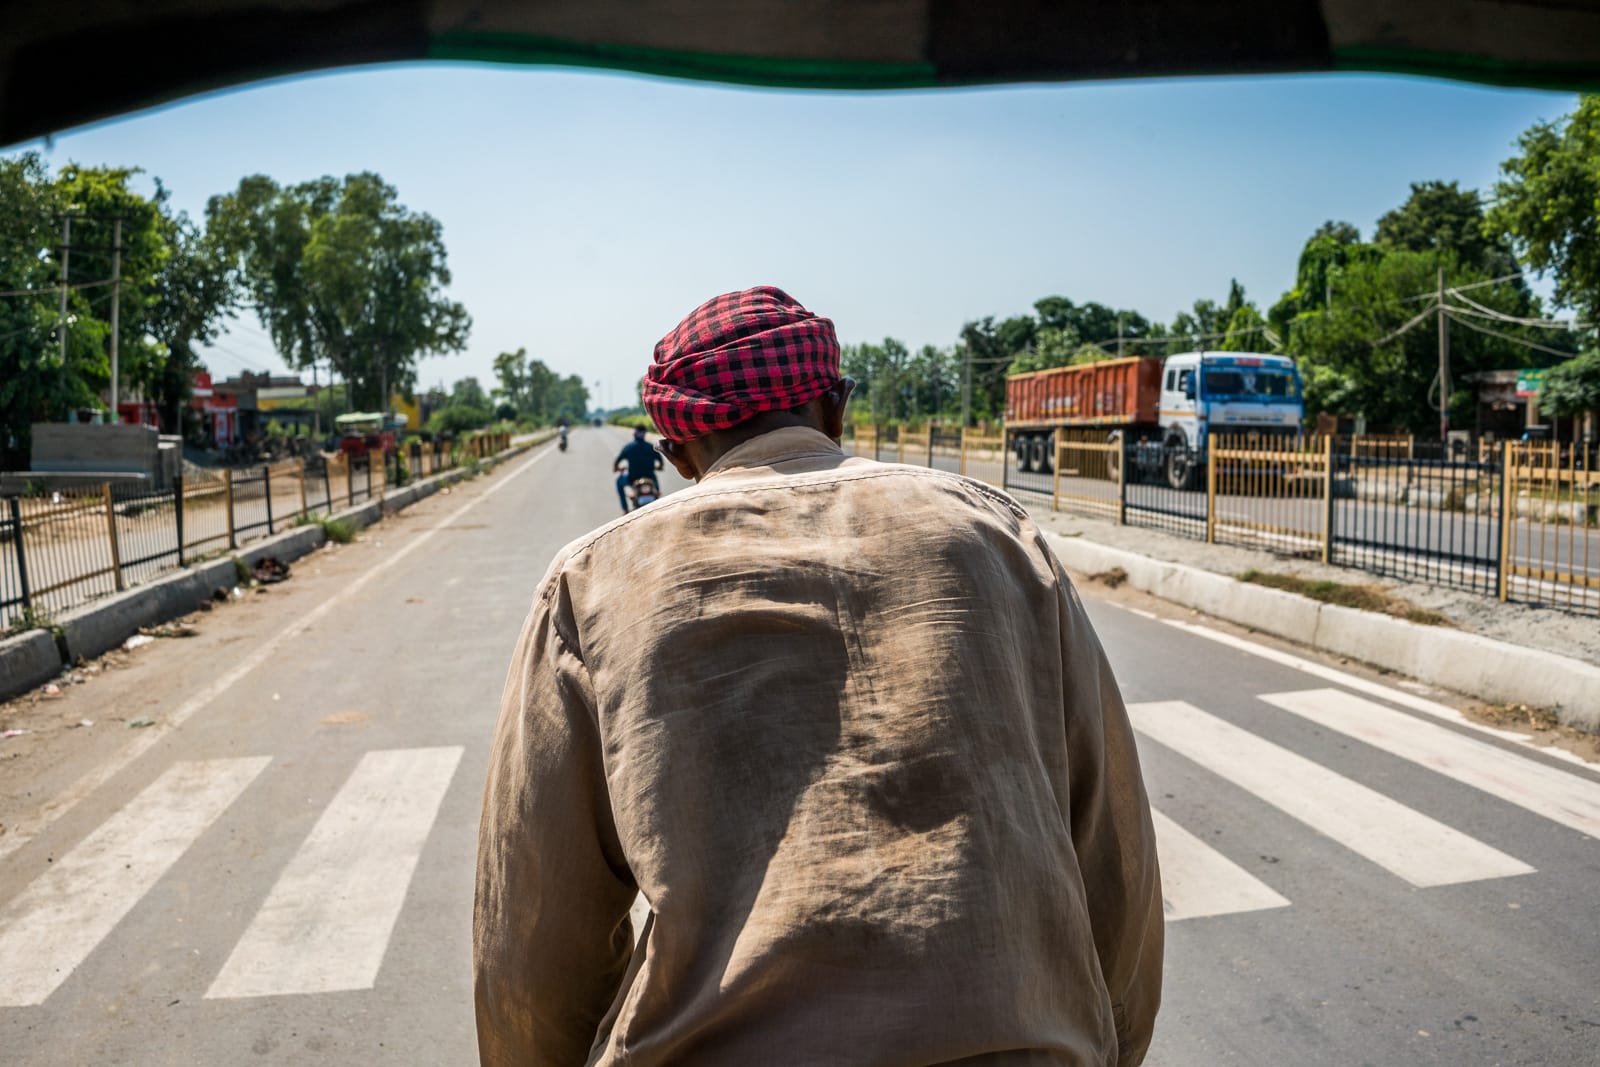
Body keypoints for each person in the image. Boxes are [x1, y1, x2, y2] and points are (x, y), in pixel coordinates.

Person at [475, 286, 1163, 1067]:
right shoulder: (998, 535)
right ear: (835, 409)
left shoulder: (593, 582)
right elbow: (1112, 856)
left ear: (675, 454)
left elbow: (534, 933)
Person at [613, 425, 662, 513]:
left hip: (632, 479)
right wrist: (659, 467)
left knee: (619, 482)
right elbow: (660, 462)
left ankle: (625, 509)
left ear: (634, 434)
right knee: (654, 478)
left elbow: (617, 461)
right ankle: (658, 495)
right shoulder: (651, 447)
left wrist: (616, 468)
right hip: (650, 477)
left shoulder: (628, 447)